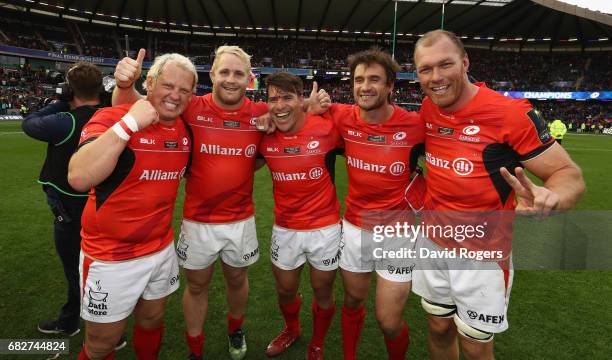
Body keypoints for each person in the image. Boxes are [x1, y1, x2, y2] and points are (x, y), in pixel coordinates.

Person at [112, 46, 329, 360]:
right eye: (224, 72)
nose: (231, 79)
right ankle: (195, 350)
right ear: (212, 74)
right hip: (198, 221)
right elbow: (128, 109)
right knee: (197, 286)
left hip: (240, 220)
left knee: (237, 279)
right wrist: (123, 86)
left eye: (238, 73)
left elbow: (290, 117)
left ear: (248, 79)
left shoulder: (259, 113)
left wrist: (312, 105)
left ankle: (234, 329)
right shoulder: (189, 106)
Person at [412, 29, 585, 360]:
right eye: (425, 69)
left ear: (465, 62)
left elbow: (569, 175)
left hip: (483, 256)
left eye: (445, 65)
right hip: (432, 244)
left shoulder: (510, 114)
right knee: (437, 327)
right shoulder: (427, 108)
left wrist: (553, 198)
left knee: (476, 348)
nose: (436, 78)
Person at [68, 53, 196, 360]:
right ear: (149, 83)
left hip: (160, 249)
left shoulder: (184, 129)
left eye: (185, 90)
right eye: (167, 85)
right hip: (111, 257)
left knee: (151, 320)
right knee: (101, 344)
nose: (175, 95)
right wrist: (128, 124)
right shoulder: (113, 118)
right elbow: (78, 176)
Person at [324, 49, 425, 360]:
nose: (364, 87)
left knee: (389, 320)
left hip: (397, 233)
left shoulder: (415, 126)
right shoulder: (342, 117)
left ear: (391, 86)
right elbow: (299, 112)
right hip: (355, 227)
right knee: (352, 300)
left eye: (374, 80)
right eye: (358, 80)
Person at [21, 62, 110, 339]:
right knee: (101, 268)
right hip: (102, 204)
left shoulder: (67, 121)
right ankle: (111, 327)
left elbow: (29, 124)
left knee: (76, 270)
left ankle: (72, 322)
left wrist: (59, 103)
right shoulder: (110, 116)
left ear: (70, 90)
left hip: (70, 210)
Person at [259, 72, 341, 360]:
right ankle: (291, 329)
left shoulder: (327, 128)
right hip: (286, 228)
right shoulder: (263, 135)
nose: (279, 105)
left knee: (323, 290)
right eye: (273, 99)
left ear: (301, 99)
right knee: (285, 290)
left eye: (287, 97)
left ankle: (317, 342)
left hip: (325, 228)